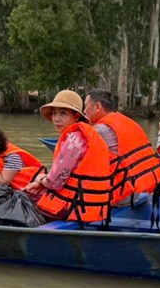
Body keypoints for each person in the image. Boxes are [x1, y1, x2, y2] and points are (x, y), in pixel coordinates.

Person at [24, 90, 113, 222]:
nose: (56, 118)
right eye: (54, 113)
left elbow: (54, 182)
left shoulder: (73, 141)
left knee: (20, 196)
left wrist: (40, 179)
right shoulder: (84, 136)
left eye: (63, 113)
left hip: (72, 208)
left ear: (76, 116)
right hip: (90, 206)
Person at [83, 88, 160, 204]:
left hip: (119, 196)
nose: (84, 111)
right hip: (134, 192)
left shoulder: (99, 130)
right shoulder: (128, 122)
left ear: (97, 107)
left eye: (85, 106)